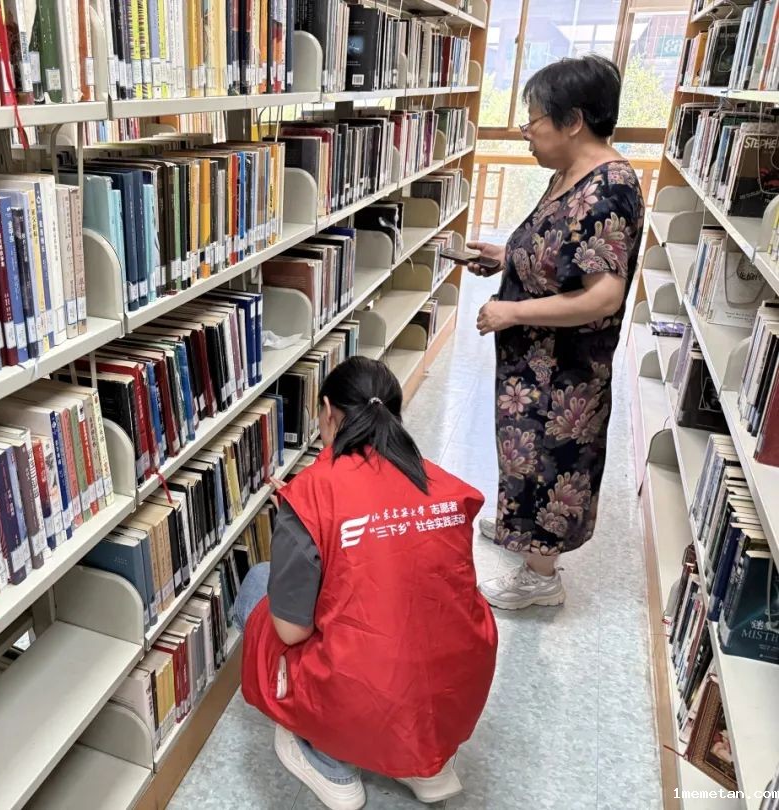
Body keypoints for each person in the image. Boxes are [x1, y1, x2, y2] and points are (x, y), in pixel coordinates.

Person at [235, 356, 498, 810]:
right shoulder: (446, 485)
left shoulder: (314, 492)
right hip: (455, 688)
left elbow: (291, 632)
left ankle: (327, 759)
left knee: (260, 584)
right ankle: (425, 764)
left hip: (365, 692)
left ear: (326, 410)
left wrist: (296, 528)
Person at [461, 55, 645, 610]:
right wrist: (508, 258)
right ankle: (520, 528)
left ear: (573, 121)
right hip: (533, 365)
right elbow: (560, 253)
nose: (526, 131)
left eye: (534, 119)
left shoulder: (610, 188)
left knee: (552, 460)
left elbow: (603, 295)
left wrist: (513, 313)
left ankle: (541, 575)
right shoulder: (567, 174)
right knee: (524, 454)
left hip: (564, 374)